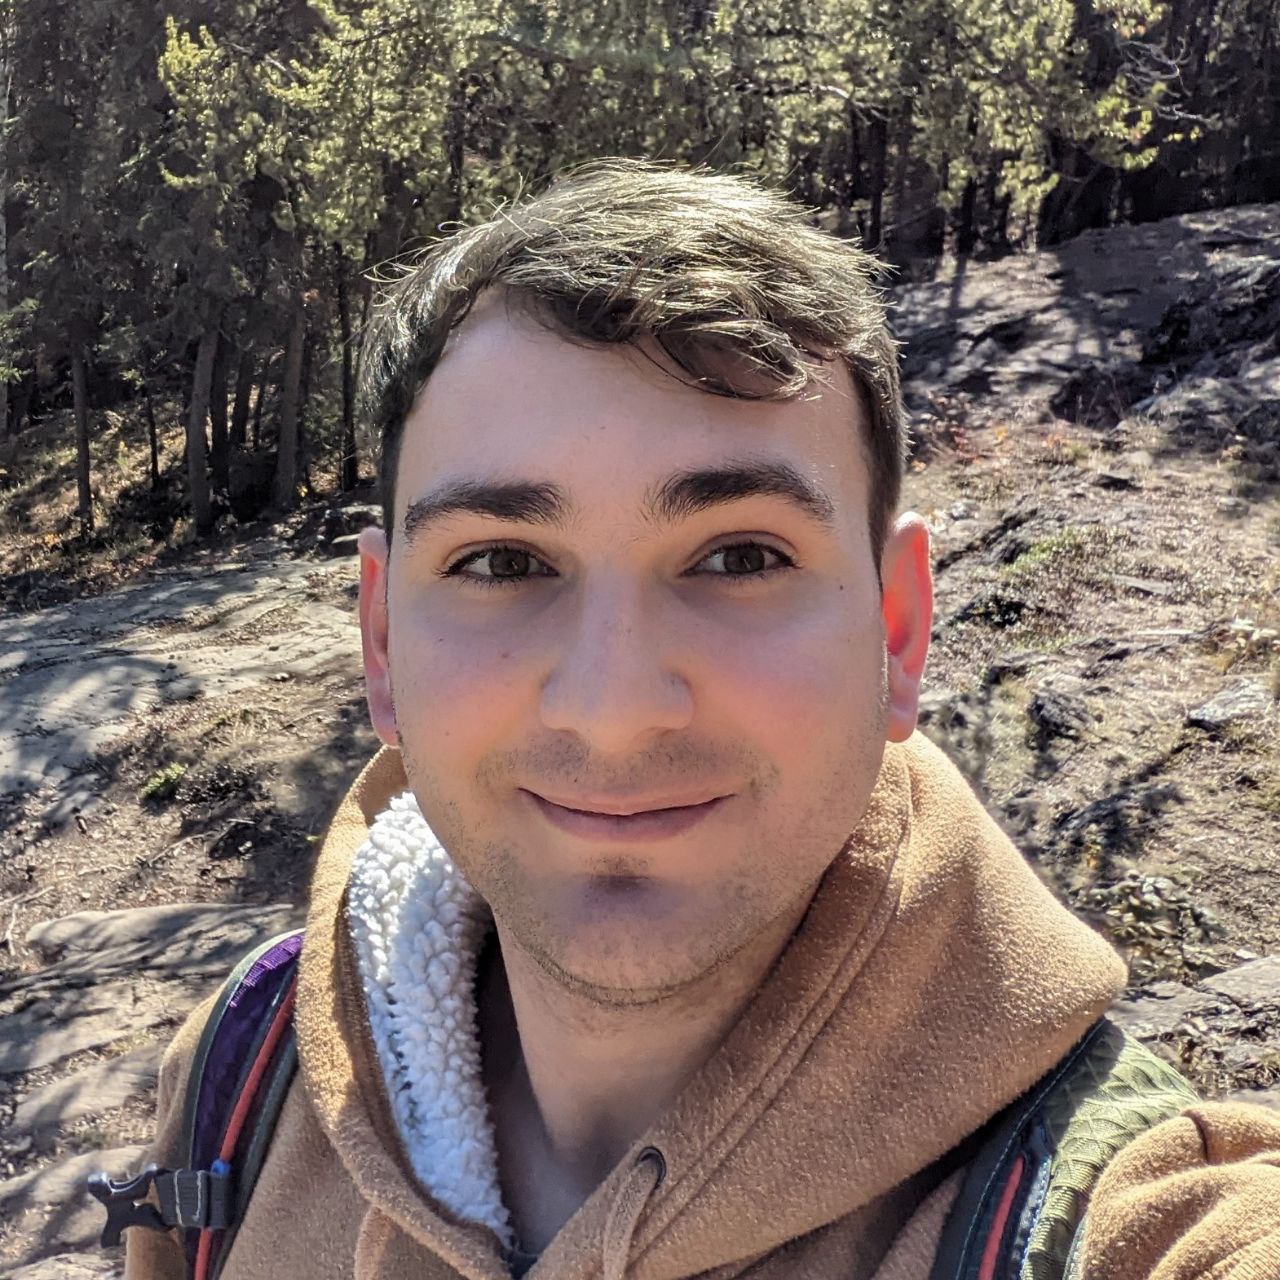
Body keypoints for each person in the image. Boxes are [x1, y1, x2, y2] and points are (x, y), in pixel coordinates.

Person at [124, 159, 1280, 1280]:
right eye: (502, 561)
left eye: (738, 555)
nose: (613, 707)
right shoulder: (243, 1081)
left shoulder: (1129, 1222)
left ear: (895, 629)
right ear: (381, 641)